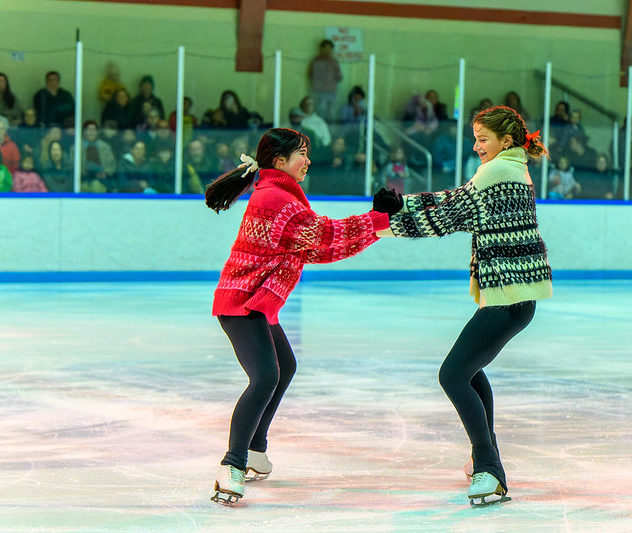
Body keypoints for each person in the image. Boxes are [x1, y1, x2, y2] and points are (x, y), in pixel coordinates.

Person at [204, 127, 394, 506]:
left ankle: (255, 449)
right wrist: (377, 220)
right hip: (242, 304)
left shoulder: (281, 194)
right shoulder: (276, 198)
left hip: (256, 303)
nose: (308, 161)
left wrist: (378, 222)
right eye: (301, 154)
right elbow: (325, 238)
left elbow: (319, 246)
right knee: (266, 377)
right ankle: (233, 463)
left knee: (284, 367)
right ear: (279, 162)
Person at [373, 105, 552, 506]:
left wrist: (396, 211)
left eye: (482, 139)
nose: (476, 147)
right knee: (468, 371)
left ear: (505, 140)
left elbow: (454, 209)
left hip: (509, 297)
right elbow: (462, 206)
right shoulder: (513, 166)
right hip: (514, 296)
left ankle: (490, 469)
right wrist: (400, 210)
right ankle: (482, 457)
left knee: (453, 374)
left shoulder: (498, 172)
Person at [307, 39, 342, 122]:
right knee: (318, 113)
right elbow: (310, 75)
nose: (328, 50)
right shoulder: (315, 61)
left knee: (331, 114)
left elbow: (339, 76)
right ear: (321, 49)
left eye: (330, 48)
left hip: (331, 92)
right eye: (326, 48)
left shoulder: (334, 62)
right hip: (318, 92)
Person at [81, 120, 117, 193]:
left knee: (96, 187)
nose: (91, 132)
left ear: (97, 132)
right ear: (84, 132)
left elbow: (113, 166)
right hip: (83, 180)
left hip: (102, 180)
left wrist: (105, 172)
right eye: (89, 130)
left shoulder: (105, 147)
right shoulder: (77, 148)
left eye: (94, 130)